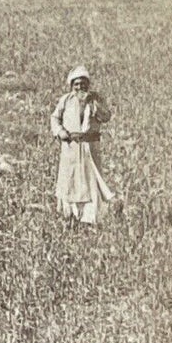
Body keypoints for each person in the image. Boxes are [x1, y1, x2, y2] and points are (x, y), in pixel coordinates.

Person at [51, 66, 116, 225]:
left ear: (88, 84)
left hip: (90, 147)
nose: (80, 87)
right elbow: (54, 118)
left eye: (83, 83)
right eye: (77, 84)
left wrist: (95, 106)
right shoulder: (65, 100)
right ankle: (71, 217)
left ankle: (91, 218)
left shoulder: (95, 99)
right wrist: (60, 132)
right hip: (71, 147)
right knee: (71, 181)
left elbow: (106, 116)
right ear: (72, 86)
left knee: (90, 181)